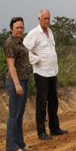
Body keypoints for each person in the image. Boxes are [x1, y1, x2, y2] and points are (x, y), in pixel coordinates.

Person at [23, 9, 68, 140]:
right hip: (41, 72)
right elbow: (24, 48)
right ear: (39, 19)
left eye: (48, 18)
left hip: (52, 72)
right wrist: (35, 60)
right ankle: (41, 132)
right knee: (42, 103)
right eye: (45, 19)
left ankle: (54, 128)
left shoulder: (50, 32)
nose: (47, 21)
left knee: (53, 101)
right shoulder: (34, 33)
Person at [4, 17, 32, 151]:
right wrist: (16, 84)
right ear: (11, 29)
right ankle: (11, 147)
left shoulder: (20, 42)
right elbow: (11, 65)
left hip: (24, 80)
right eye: (17, 27)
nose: (20, 29)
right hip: (17, 81)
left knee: (20, 114)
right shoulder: (10, 43)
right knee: (14, 115)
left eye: (21, 27)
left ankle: (20, 143)